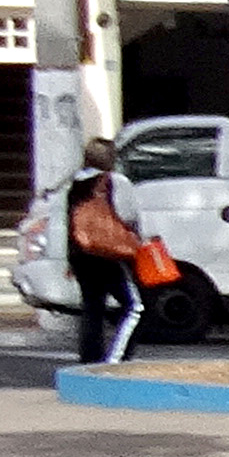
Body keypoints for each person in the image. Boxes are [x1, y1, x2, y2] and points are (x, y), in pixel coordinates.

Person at [60, 133, 144, 365]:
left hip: (80, 254)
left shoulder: (74, 184)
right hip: (108, 254)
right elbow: (129, 216)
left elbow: (70, 222)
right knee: (135, 307)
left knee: (92, 308)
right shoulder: (113, 182)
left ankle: (89, 359)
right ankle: (117, 358)